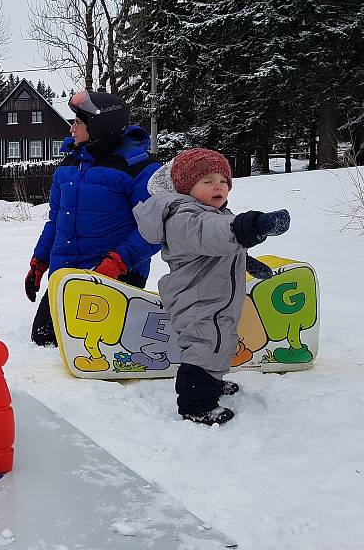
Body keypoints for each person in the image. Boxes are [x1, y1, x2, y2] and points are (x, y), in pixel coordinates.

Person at [133, 148, 290, 425]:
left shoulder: (210, 213)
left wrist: (247, 262)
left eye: (223, 181)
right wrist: (253, 226)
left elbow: (220, 246)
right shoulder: (184, 218)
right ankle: (196, 404)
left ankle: (211, 385)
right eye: (207, 181)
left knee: (219, 343)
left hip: (214, 299)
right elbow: (214, 234)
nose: (218, 186)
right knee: (203, 347)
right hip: (197, 299)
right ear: (186, 187)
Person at [24, 90, 161, 352]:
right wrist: (39, 262)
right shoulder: (69, 166)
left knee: (97, 348)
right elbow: (55, 221)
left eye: (79, 122)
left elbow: (155, 228)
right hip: (67, 274)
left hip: (118, 274)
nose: (72, 128)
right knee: (45, 340)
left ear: (100, 125)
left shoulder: (139, 168)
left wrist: (117, 262)